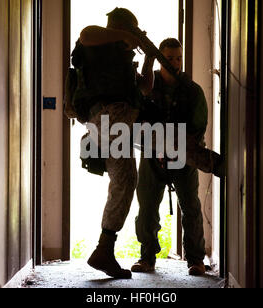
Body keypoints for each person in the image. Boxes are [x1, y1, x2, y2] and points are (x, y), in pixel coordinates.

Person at [71, 8, 154, 279]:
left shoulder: (121, 59)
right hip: (109, 118)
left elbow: (144, 89)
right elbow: (85, 34)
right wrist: (129, 36)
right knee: (162, 144)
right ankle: (213, 162)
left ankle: (104, 248)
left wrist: (149, 59)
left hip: (118, 122)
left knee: (126, 179)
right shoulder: (97, 41)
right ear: (120, 27)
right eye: (129, 29)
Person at [132, 38, 212, 276]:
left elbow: (199, 126)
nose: (175, 63)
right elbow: (135, 116)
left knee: (191, 207)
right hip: (151, 154)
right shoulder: (148, 86)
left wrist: (180, 146)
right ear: (160, 59)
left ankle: (196, 260)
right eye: (170, 58)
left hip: (184, 156)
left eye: (178, 57)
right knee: (146, 206)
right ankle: (146, 257)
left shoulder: (192, 91)